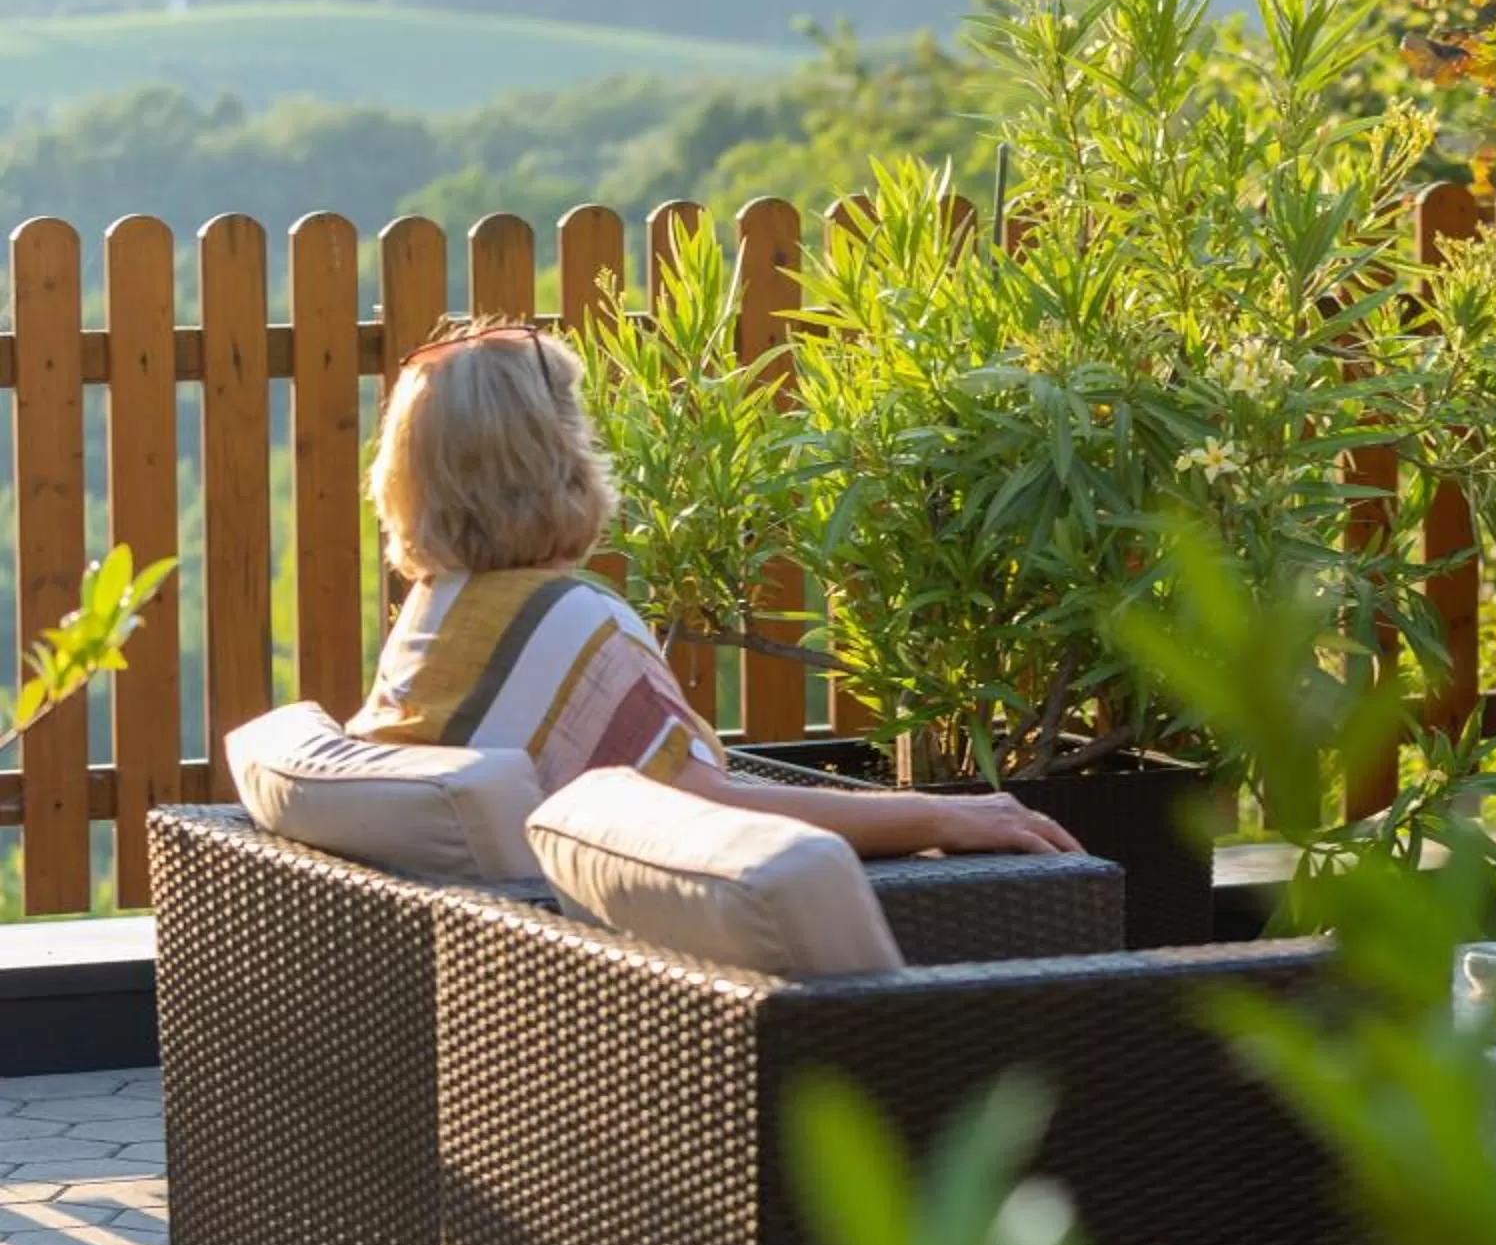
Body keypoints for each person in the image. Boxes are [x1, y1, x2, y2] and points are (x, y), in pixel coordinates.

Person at [348, 318, 1084, 859]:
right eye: (583, 431)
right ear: (558, 459)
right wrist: (942, 816)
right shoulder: (567, 620)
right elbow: (710, 815)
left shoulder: (436, 615)